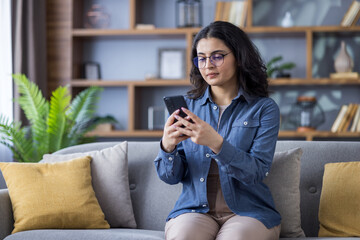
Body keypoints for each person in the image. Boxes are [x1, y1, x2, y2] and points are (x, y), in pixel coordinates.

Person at [154, 21, 281, 240]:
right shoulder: (186, 107)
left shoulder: (264, 109)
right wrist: (168, 147)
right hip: (194, 210)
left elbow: (256, 172)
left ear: (239, 57)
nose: (208, 65)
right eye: (201, 58)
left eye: (217, 56)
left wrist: (216, 143)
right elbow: (170, 177)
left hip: (247, 211)